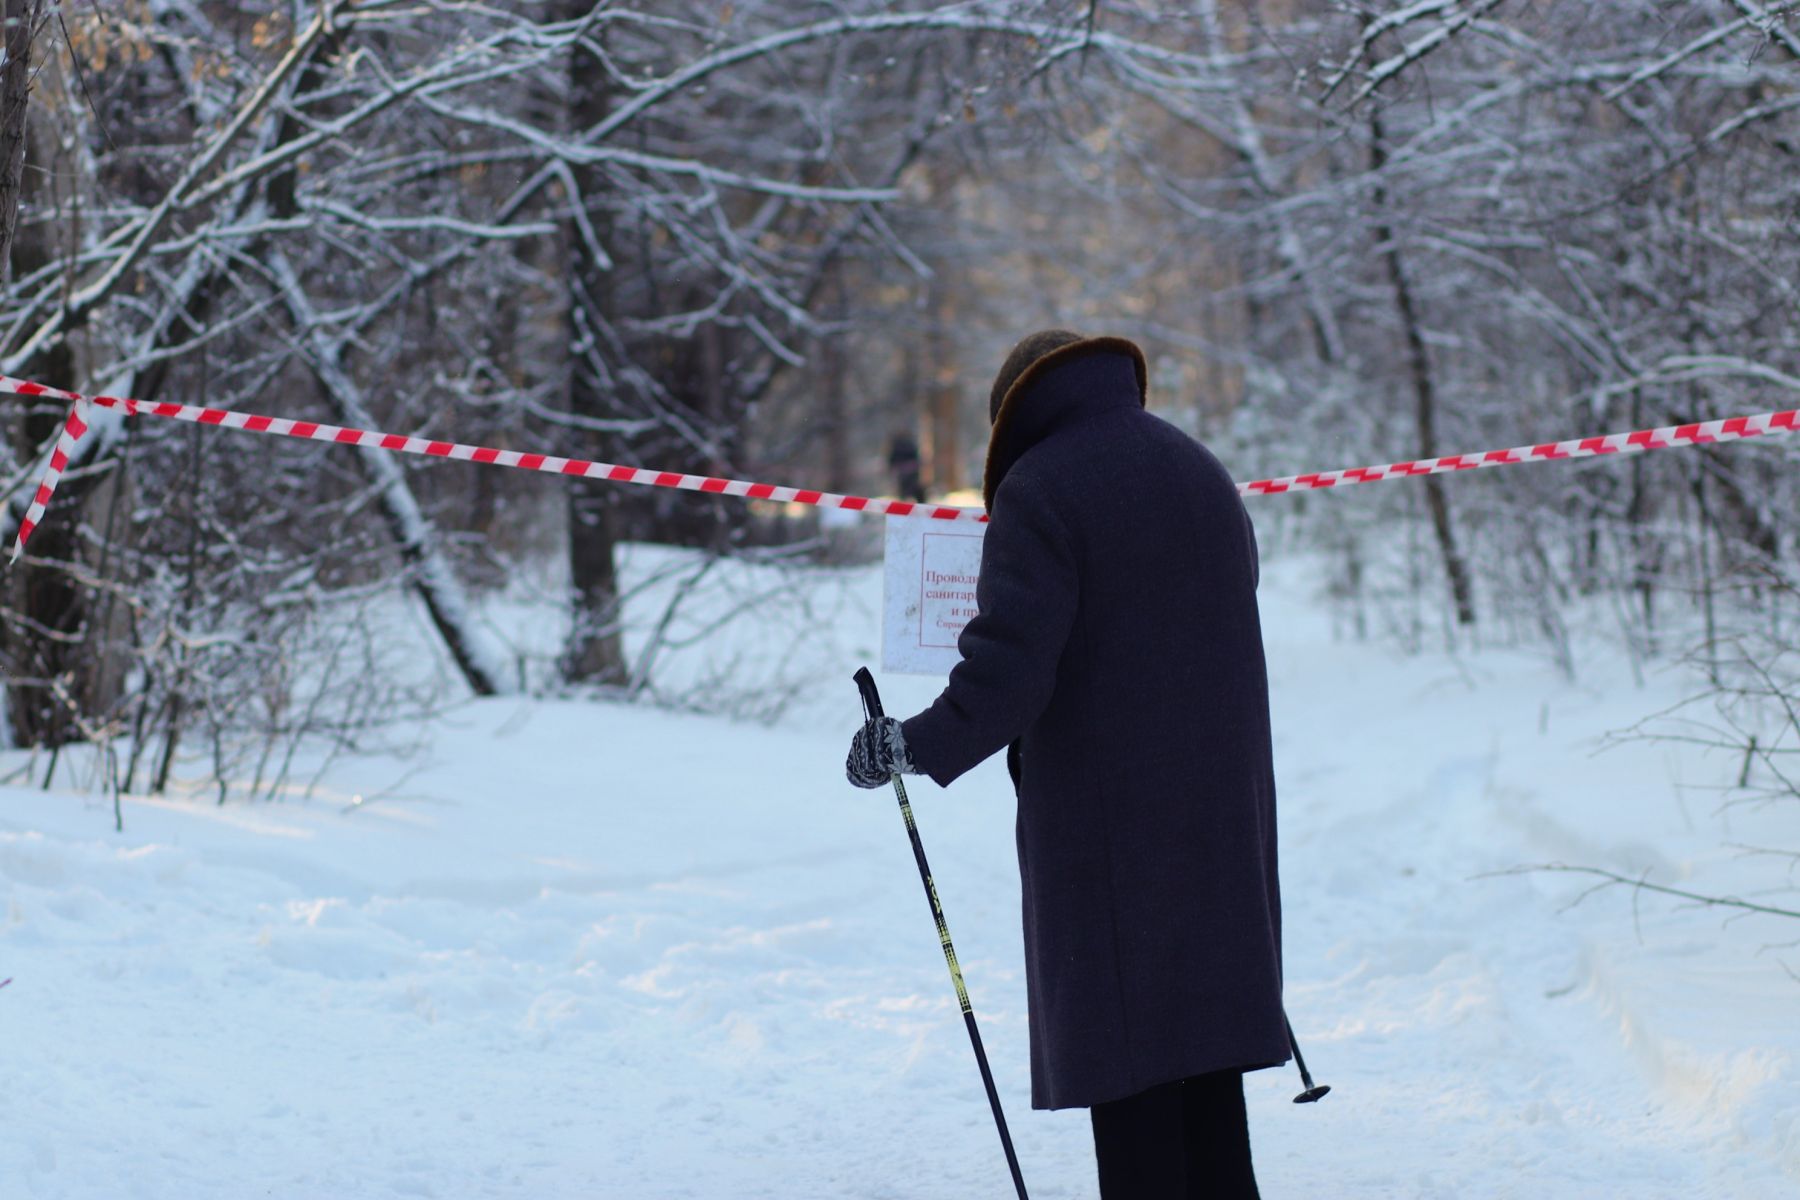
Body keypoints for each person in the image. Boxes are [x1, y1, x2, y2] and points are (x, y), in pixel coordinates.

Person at [845, 330, 1287, 1199]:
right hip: (1221, 827)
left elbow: (1010, 670)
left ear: (1013, 414)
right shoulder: (1200, 469)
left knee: (1134, 1096)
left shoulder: (1043, 489)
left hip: (1113, 843)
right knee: (1207, 1093)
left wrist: (910, 744)